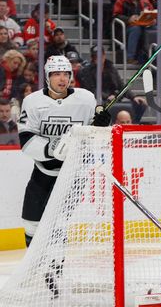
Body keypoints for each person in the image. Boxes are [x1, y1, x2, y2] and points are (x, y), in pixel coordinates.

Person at [18, 56, 104, 246]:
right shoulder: (32, 102)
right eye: (56, 74)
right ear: (48, 77)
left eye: (66, 73)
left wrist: (103, 123)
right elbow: (26, 140)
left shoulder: (86, 99)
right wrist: (52, 149)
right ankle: (36, 266)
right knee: (31, 221)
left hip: (73, 173)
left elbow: (98, 133)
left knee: (58, 223)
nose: (62, 78)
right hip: (43, 170)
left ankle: (55, 269)